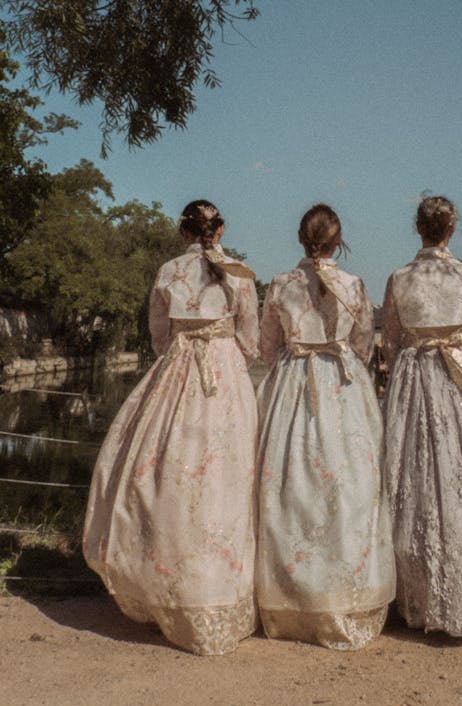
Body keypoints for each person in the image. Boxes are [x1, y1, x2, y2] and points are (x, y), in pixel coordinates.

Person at [83, 200, 260, 655]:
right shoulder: (241, 274)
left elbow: (159, 337)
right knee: (226, 480)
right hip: (224, 373)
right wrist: (223, 347)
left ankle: (165, 584)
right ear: (220, 229)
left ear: (184, 231)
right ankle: (220, 589)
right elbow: (251, 341)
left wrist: (185, 345)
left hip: (178, 368)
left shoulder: (167, 272)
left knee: (168, 477)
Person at [255, 204, 395, 649]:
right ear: (338, 241)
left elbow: (265, 348)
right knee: (349, 486)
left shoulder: (280, 284)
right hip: (341, 384)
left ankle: (288, 597)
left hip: (292, 383)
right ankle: (345, 591)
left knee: (289, 486)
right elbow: (360, 345)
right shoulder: (353, 286)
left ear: (301, 239)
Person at [382, 196, 462, 637]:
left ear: (418, 229)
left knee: (412, 475)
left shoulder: (399, 278)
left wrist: (419, 354)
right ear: (451, 230)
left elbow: (391, 342)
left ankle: (415, 595)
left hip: (414, 377)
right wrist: (454, 351)